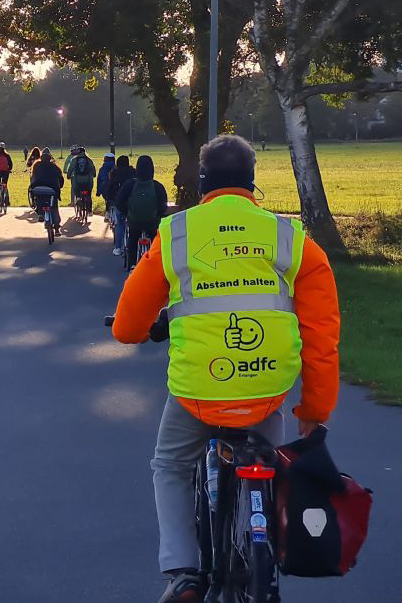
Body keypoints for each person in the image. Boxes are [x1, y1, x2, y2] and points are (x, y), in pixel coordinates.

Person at [110, 135, 340, 603]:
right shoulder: (290, 238)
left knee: (171, 465)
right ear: (253, 183)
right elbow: (322, 335)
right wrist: (315, 411)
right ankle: (268, 538)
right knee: (273, 462)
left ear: (202, 182)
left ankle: (181, 572)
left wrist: (140, 331)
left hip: (198, 390)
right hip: (266, 388)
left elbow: (128, 326)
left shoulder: (177, 234)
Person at [116, 155, 169, 271]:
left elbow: (119, 202)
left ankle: (131, 265)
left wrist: (127, 213)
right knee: (155, 240)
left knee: (133, 238)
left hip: (134, 221)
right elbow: (163, 206)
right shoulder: (157, 186)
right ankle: (156, 265)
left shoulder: (130, 185)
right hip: (152, 222)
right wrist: (158, 215)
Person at [104, 154, 136, 256]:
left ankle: (118, 247)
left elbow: (109, 189)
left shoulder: (114, 174)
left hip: (119, 202)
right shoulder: (133, 173)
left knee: (120, 224)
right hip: (132, 203)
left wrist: (109, 199)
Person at [28, 147, 64, 229]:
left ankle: (40, 213)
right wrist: (59, 187)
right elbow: (60, 178)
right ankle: (56, 226)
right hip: (52, 189)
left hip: (38, 188)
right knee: (54, 206)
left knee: (39, 199)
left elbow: (33, 177)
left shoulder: (36, 165)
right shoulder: (55, 166)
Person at [67, 146, 97, 212]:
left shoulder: (74, 160)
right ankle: (89, 211)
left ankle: (78, 198)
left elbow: (70, 169)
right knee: (88, 195)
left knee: (76, 190)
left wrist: (68, 176)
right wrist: (94, 175)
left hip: (77, 180)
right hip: (88, 181)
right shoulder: (89, 160)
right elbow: (93, 169)